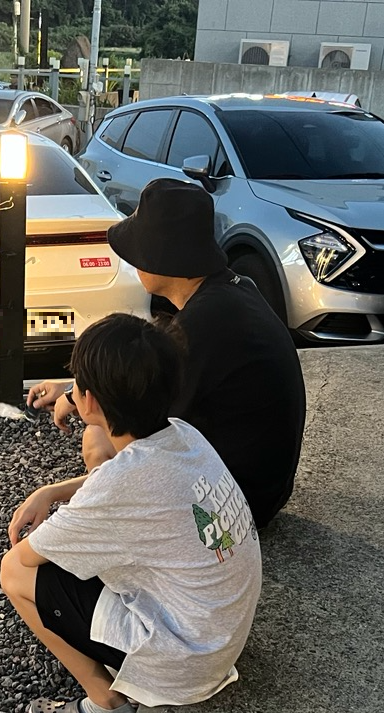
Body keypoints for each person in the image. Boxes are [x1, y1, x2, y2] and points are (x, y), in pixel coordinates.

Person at [1, 313, 262, 713]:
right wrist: (53, 491)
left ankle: (108, 710)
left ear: (89, 401)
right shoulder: (183, 434)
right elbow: (126, 486)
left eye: (75, 384)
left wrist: (65, 513)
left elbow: (28, 557)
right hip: (216, 637)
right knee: (92, 521)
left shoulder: (121, 485)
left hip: (184, 665)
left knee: (14, 572)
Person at [28, 177, 306, 530]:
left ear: (162, 256)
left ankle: (109, 509)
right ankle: (109, 498)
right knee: (102, 427)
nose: (132, 261)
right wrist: (72, 390)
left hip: (232, 505)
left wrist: (53, 491)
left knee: (100, 434)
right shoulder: (233, 294)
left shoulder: (199, 326)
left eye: (138, 251)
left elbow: (143, 435)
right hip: (265, 487)